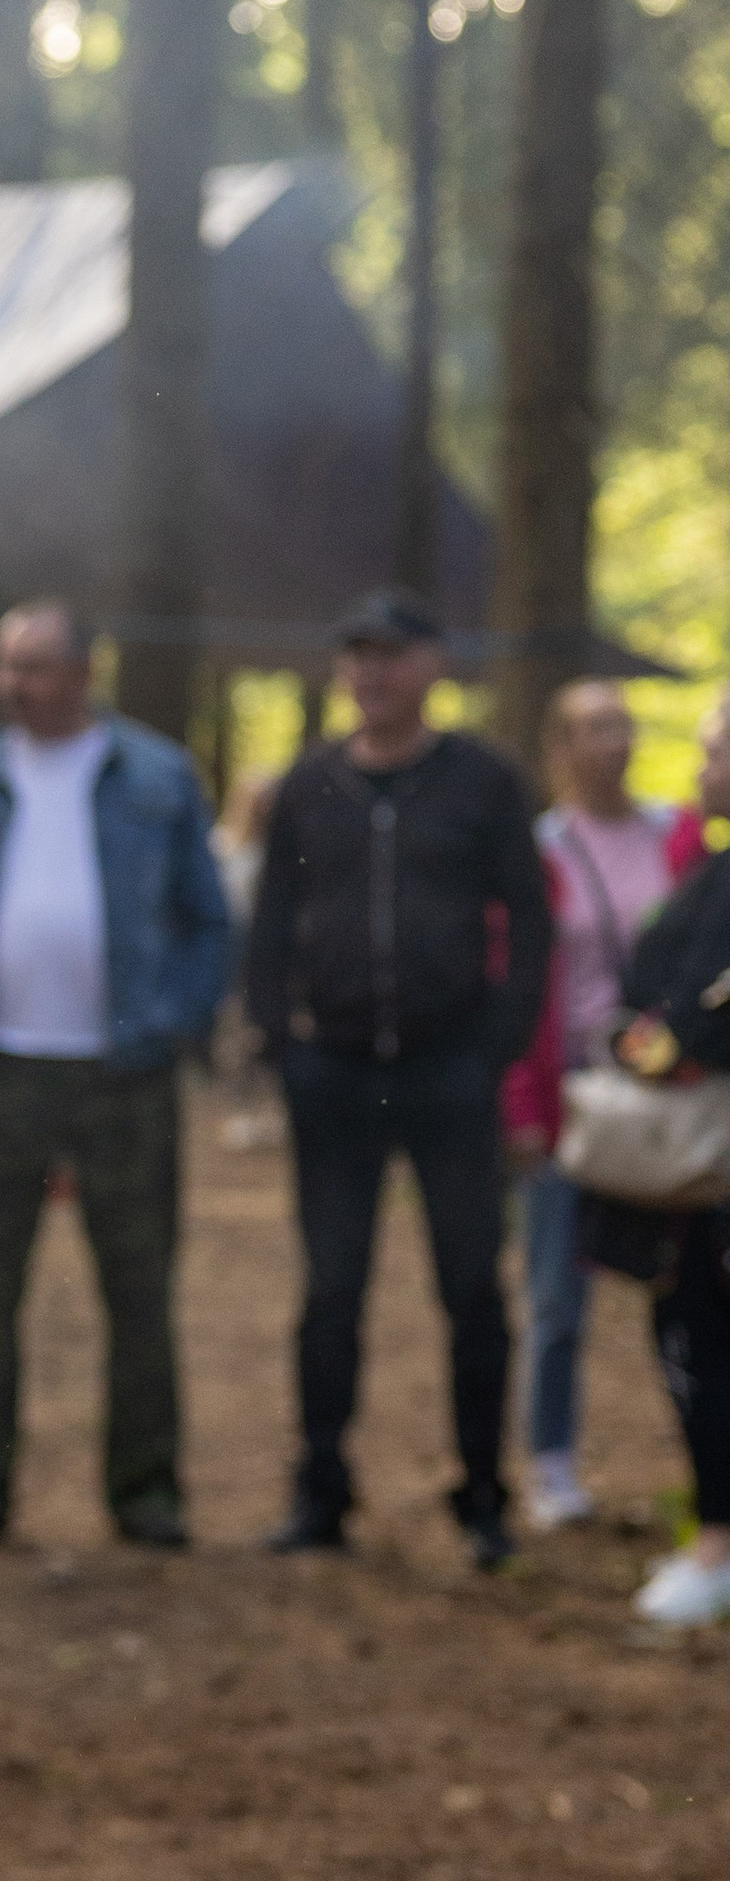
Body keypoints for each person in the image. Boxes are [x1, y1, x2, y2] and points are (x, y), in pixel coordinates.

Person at [0, 598, 232, 1549]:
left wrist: (169, 1022)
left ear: (85, 671)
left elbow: (208, 922)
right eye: (2, 665)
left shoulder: (155, 775)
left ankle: (147, 1494)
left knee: (139, 1287)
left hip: (126, 1074)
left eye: (32, 666)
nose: (11, 683)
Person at [245, 593, 551, 1566]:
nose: (370, 674)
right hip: (331, 1074)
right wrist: (276, 1042)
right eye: (356, 657)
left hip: (449, 1072)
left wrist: (495, 1046)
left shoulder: (483, 781)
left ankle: (482, 1497)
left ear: (432, 667)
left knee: (470, 1287)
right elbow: (268, 920)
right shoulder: (308, 784)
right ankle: (320, 1491)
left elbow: (532, 921)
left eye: (390, 655)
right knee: (330, 1289)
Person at [499, 681, 678, 1529]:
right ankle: (551, 1461)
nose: (613, 741)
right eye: (593, 728)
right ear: (560, 748)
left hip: (671, 1096)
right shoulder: (539, 852)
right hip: (573, 1093)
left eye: (621, 725)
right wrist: (521, 1103)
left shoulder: (677, 837)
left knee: (687, 1290)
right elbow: (517, 982)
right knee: (555, 1292)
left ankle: (698, 1457)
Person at [577, 689, 730, 1627]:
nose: (701, 770)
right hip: (696, 1175)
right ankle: (716, 1532)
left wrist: (673, 1035)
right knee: (695, 1340)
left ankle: (717, 1537)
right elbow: (658, 991)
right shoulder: (710, 873)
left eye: (716, 754)